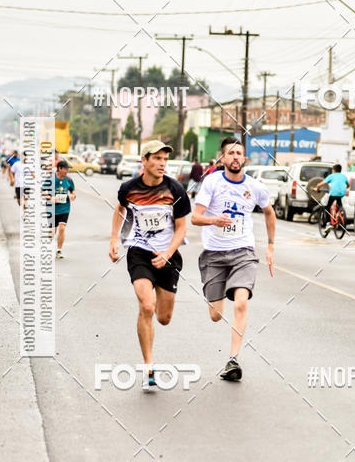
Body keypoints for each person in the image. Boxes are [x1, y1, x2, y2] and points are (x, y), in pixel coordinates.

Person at [191, 137, 275, 382]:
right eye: (231, 153)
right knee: (216, 315)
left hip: (243, 252)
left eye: (239, 153)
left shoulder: (255, 187)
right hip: (214, 255)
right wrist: (214, 220)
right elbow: (195, 218)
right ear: (223, 158)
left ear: (244, 158)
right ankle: (219, 293)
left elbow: (269, 212)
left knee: (241, 302)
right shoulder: (211, 182)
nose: (236, 157)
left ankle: (233, 359)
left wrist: (270, 245)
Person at [109, 141, 191, 391]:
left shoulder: (175, 189)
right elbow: (120, 209)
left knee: (163, 318)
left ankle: (157, 302)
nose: (162, 163)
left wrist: (167, 253)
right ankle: (149, 366)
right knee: (146, 305)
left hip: (168, 255)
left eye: (165, 159)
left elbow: (182, 228)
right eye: (156, 158)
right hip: (140, 253)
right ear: (143, 161)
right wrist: (114, 239)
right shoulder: (128, 188)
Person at [45, 160, 77, 259]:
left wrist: (72, 195)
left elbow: (73, 192)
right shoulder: (51, 179)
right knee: (51, 232)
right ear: (60, 168)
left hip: (64, 208)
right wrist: (50, 198)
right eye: (66, 169)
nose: (67, 171)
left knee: (62, 228)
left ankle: (59, 250)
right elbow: (41, 190)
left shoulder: (69, 180)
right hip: (52, 208)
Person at [315, 163, 349, 231]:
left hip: (334, 193)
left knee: (328, 206)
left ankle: (328, 223)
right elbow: (348, 185)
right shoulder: (343, 176)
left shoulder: (332, 176)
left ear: (333, 170)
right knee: (339, 204)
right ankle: (339, 215)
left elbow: (320, 184)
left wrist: (317, 189)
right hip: (342, 193)